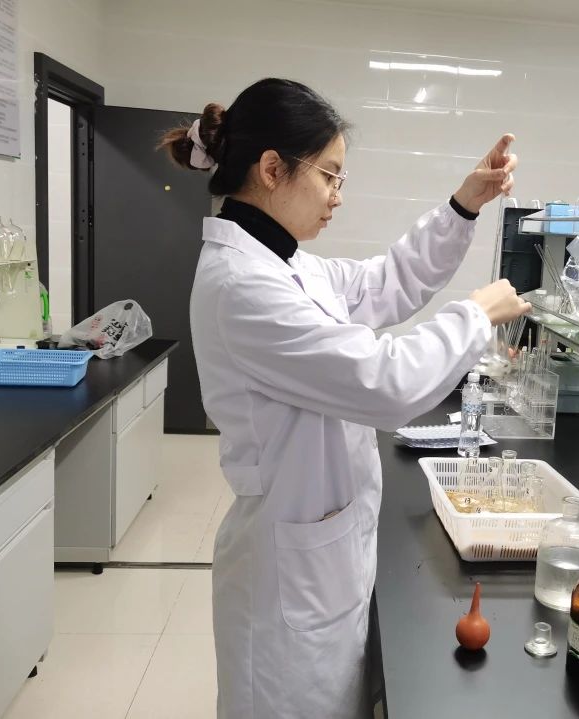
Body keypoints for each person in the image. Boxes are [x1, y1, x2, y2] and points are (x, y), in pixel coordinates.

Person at [160, 78, 530, 718]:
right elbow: (385, 382)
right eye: (330, 175)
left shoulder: (286, 265)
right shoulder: (242, 286)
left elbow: (388, 280)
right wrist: (476, 315)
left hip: (320, 547)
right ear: (272, 169)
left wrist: (463, 206)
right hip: (285, 578)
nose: (337, 195)